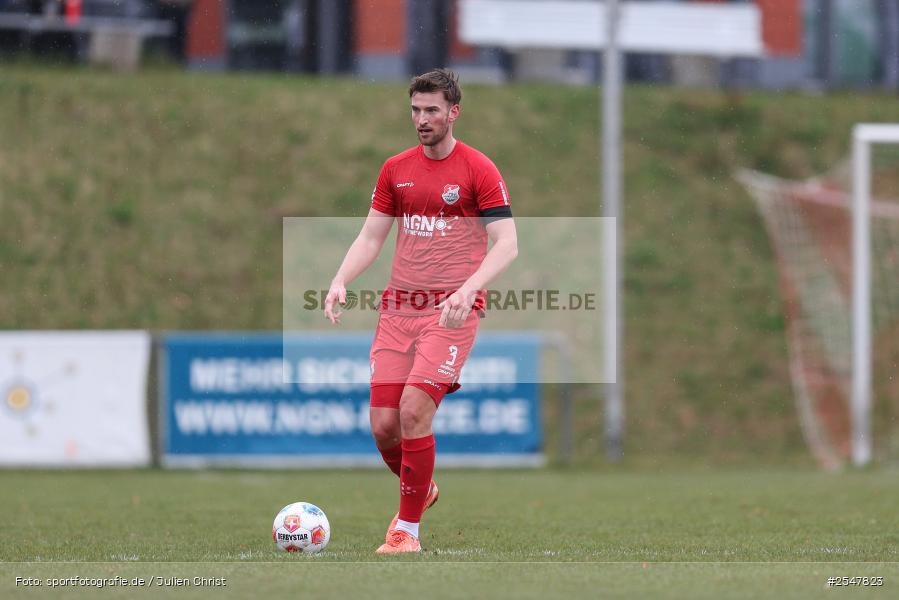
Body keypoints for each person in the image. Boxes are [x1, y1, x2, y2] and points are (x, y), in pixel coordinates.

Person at [324, 68, 518, 554]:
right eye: (416, 109)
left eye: (432, 110)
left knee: (414, 410)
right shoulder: (396, 169)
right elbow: (371, 236)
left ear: (453, 112)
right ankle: (422, 490)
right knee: (384, 425)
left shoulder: (479, 170)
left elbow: (507, 244)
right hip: (397, 310)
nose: (422, 119)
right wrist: (340, 279)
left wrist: (467, 290)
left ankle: (405, 532)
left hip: (451, 312)